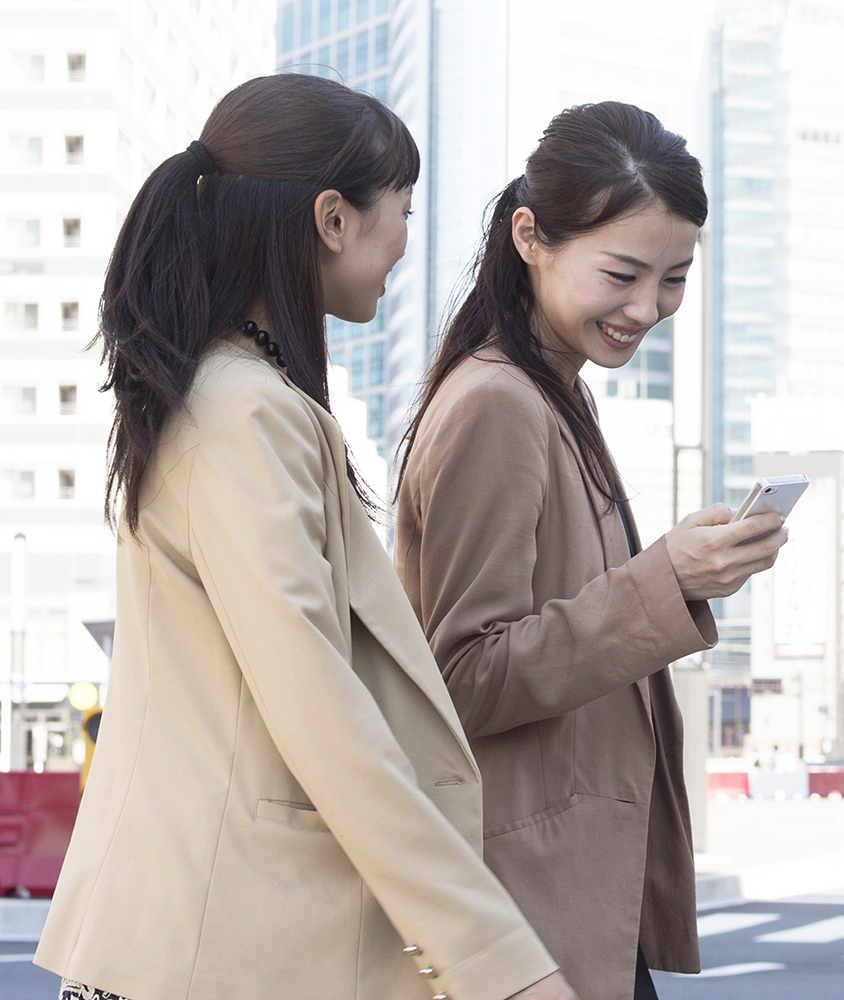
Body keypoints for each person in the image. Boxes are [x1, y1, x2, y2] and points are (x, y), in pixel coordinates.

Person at [35, 75, 573, 1000]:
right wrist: (499, 966)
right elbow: (321, 711)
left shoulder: (218, 392)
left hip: (199, 937)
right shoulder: (244, 413)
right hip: (222, 949)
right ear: (332, 218)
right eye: (400, 209)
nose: (406, 243)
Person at [395, 102, 788, 1000]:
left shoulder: (552, 395)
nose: (647, 309)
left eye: (675, 279)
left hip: (560, 891)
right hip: (523, 904)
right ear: (528, 236)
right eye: (622, 273)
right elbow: (459, 675)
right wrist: (667, 581)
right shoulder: (498, 403)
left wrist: (674, 580)